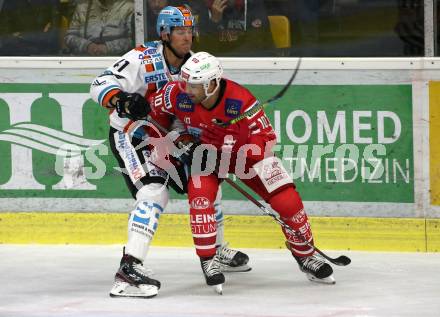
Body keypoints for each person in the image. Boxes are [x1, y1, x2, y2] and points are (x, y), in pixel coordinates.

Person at [90, 6, 250, 298]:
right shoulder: (143, 58)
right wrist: (123, 100)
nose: (186, 37)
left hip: (170, 138)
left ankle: (216, 247)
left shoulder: (195, 66)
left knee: (207, 181)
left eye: (189, 30)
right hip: (133, 136)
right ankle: (129, 267)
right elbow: (99, 83)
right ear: (164, 33)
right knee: (153, 192)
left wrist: (191, 139)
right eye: (179, 31)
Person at [148, 51, 335, 293]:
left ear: (211, 84)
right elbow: (156, 117)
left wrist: (237, 143)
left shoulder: (242, 102)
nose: (187, 89)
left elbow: (267, 142)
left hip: (246, 155)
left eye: (193, 85)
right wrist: (181, 141)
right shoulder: (177, 93)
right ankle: (208, 260)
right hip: (206, 155)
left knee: (287, 200)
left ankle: (306, 255)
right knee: (201, 196)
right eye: (185, 83)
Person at [194, 0, 274, 56]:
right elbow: (205, 51)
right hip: (219, 63)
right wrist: (214, 21)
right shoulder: (208, 7)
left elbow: (258, 45)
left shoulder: (253, 4)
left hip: (248, 62)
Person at [64, 0, 134, 56]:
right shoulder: (82, 7)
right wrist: (87, 46)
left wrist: (108, 47)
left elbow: (134, 40)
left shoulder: (129, 7)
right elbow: (70, 37)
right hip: (85, 61)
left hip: (118, 61)